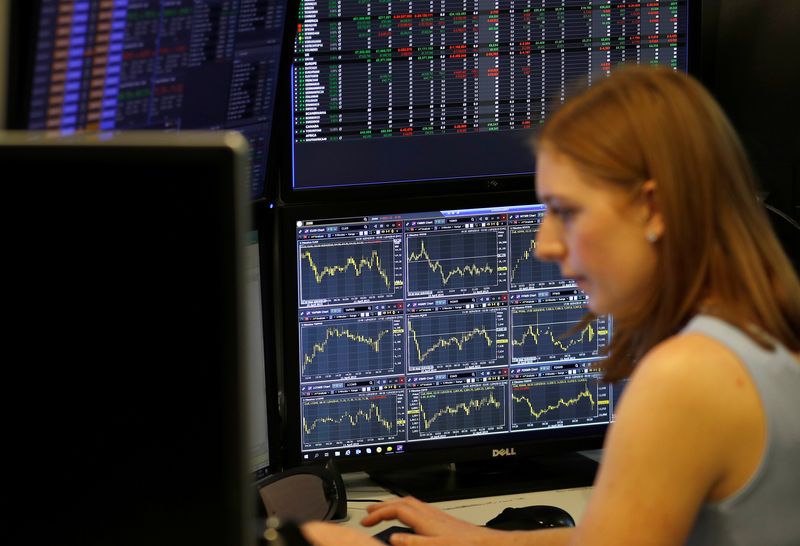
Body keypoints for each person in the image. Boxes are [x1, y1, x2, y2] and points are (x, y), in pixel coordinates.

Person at [300, 65, 800, 546]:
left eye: (565, 212)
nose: (544, 244)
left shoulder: (684, 377)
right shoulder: (764, 338)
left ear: (653, 208)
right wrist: (484, 542)